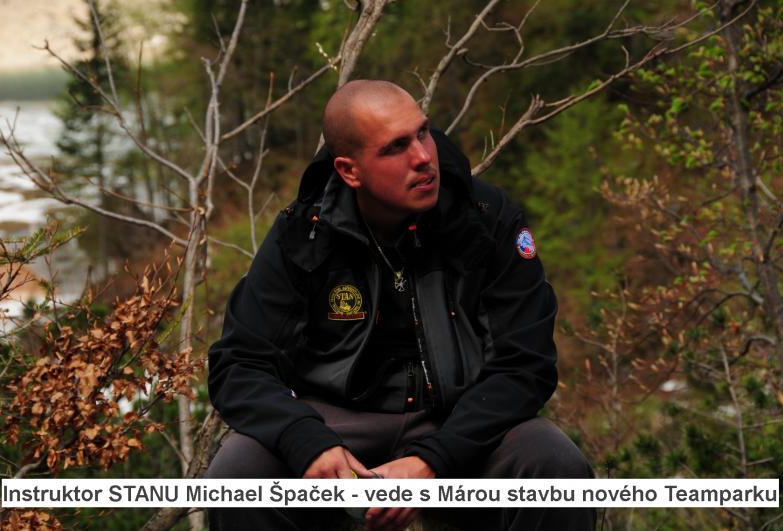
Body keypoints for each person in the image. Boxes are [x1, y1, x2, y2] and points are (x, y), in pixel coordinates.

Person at [206, 80, 595, 530]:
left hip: (461, 420)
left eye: (422, 132)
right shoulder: (305, 235)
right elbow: (240, 363)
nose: (424, 157)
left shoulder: (486, 218)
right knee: (238, 474)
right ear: (349, 171)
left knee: (554, 466)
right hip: (337, 427)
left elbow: (525, 363)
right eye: (395, 147)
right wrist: (307, 442)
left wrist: (436, 459)